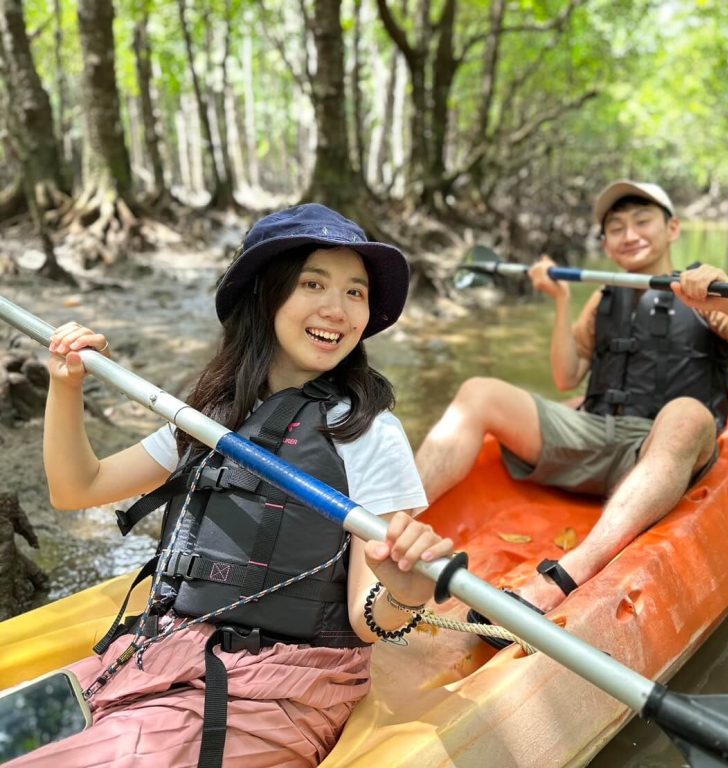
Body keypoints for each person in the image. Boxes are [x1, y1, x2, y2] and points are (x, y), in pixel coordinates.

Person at [9, 204, 453, 768]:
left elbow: (372, 621)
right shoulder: (213, 412)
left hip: (277, 687)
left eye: (354, 292)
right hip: (159, 653)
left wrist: (405, 589)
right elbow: (78, 487)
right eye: (312, 283)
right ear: (264, 296)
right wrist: (65, 386)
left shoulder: (367, 431)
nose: (336, 309)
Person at [415, 180, 728, 615]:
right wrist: (559, 301)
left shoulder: (706, 294)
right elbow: (566, 374)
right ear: (606, 243)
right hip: (594, 433)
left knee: (687, 413)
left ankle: (568, 575)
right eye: (616, 228)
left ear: (673, 229)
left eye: (642, 222)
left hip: (660, 452)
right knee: (478, 391)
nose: (630, 235)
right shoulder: (604, 298)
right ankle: (384, 523)